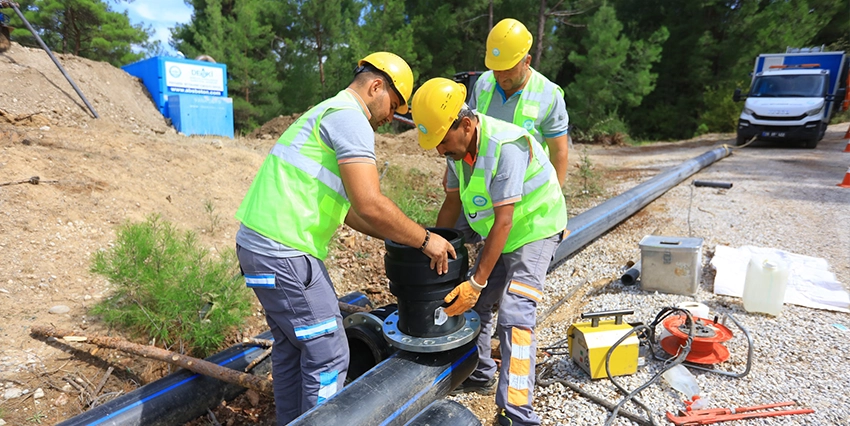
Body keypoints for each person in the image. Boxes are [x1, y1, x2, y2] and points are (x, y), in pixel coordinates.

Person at [234, 52, 456, 425]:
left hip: (258, 249)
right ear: (376, 86)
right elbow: (370, 204)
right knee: (330, 354)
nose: (391, 118)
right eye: (395, 105)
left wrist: (404, 234)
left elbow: (353, 212)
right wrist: (424, 240)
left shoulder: (325, 112)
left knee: (293, 349)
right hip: (285, 253)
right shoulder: (351, 120)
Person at [411, 77, 567, 426]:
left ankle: (516, 412)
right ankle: (479, 373)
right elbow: (452, 203)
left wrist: (477, 281)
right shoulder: (457, 150)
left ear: (466, 124)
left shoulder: (506, 146)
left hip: (534, 230)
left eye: (442, 140)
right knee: (476, 307)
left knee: (515, 312)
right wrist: (437, 244)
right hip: (497, 230)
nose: (439, 151)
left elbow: (505, 222)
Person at [470, 18, 569, 187]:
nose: (501, 76)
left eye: (508, 69)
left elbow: (558, 151)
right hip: (484, 188)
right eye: (496, 69)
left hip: (527, 193)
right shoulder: (483, 84)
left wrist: (555, 198)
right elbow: (468, 133)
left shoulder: (549, 95)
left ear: (527, 62)